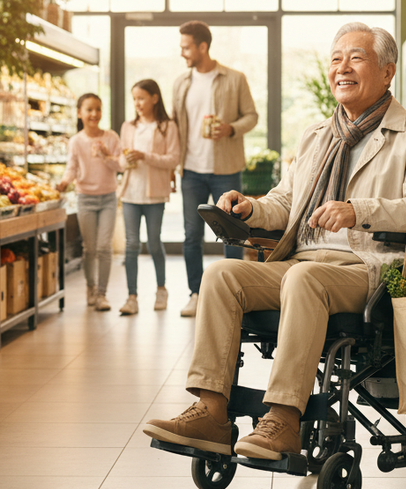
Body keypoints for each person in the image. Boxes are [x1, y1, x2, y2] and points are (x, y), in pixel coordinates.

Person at [143, 22, 406, 460]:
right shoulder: (316, 136)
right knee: (222, 276)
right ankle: (212, 411)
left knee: (304, 280)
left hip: (368, 269)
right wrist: (251, 208)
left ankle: (284, 419)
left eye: (356, 57)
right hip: (302, 261)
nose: (342, 67)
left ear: (387, 71)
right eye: (336, 58)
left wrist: (358, 211)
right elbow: (286, 202)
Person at [171, 21, 258, 318]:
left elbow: (252, 116)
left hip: (226, 169)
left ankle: (234, 296)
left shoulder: (235, 79)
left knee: (231, 233)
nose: (182, 52)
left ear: (202, 47)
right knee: (191, 235)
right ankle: (196, 294)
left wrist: (231, 129)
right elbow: (174, 127)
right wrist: (173, 165)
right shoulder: (181, 83)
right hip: (191, 170)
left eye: (186, 47)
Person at [117, 79, 181, 315]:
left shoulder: (167, 126)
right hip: (131, 193)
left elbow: (173, 159)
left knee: (154, 242)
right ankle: (131, 297)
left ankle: (161, 289)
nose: (137, 103)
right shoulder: (128, 126)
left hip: (154, 195)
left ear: (154, 98)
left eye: (141, 98)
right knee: (131, 244)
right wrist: (128, 159)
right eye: (134, 99)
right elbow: (121, 161)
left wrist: (144, 156)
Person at [57, 92, 121, 312]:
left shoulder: (111, 137)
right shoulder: (76, 141)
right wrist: (64, 182)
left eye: (98, 109)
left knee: (104, 247)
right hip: (84, 198)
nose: (94, 114)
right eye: (89, 110)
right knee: (89, 248)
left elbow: (120, 166)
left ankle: (102, 294)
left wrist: (106, 156)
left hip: (108, 198)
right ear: (79, 113)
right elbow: (72, 168)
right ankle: (90, 287)